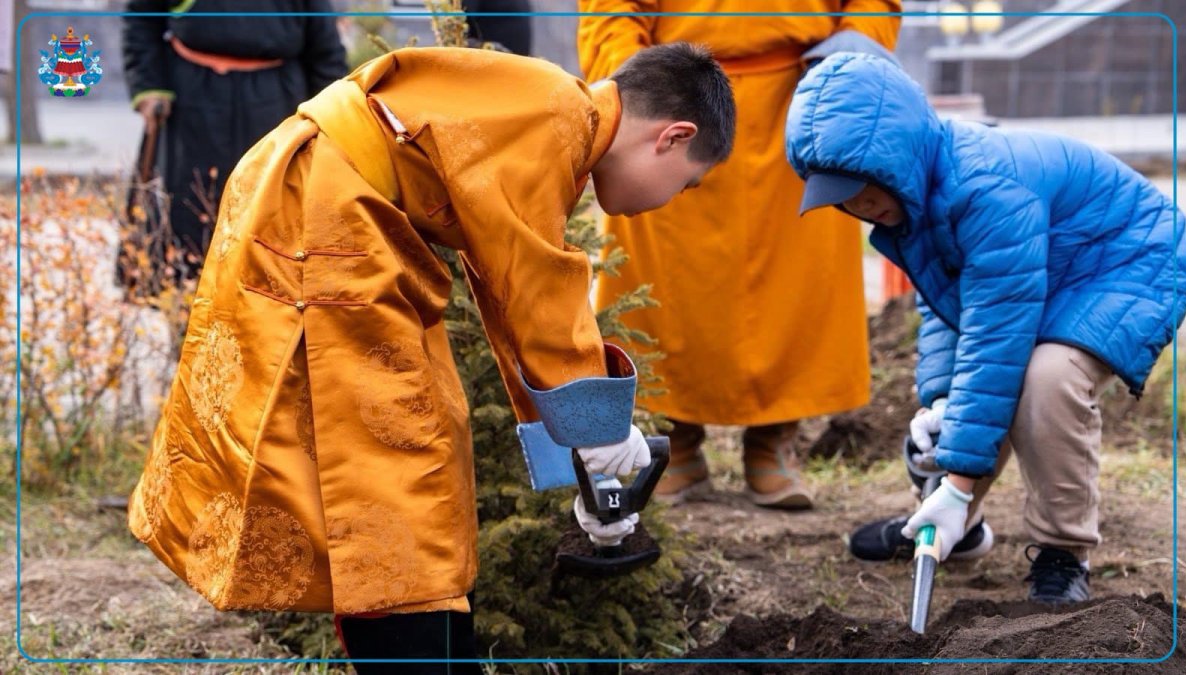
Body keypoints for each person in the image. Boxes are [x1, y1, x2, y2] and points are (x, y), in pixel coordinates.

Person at [126, 43, 734, 671]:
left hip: (335, 212)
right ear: (672, 136)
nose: (676, 196)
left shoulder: (554, 116)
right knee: (396, 476)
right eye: (689, 181)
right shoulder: (556, 119)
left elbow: (509, 297)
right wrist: (599, 431)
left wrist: (581, 454)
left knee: (415, 457)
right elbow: (538, 288)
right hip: (326, 217)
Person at [785, 53, 1186, 603]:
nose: (857, 205)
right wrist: (938, 400)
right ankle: (955, 534)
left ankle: (1062, 553)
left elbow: (996, 338)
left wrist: (955, 486)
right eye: (841, 197)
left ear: (898, 157)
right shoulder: (913, 200)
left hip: (1126, 259)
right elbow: (947, 306)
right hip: (1055, 266)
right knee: (960, 400)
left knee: (1047, 378)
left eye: (863, 187)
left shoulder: (985, 188)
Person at [578, 1, 900, 509]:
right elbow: (610, 9)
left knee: (796, 277)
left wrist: (846, 62)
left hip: (799, 100)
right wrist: (636, 91)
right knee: (664, 282)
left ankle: (774, 440)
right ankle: (675, 440)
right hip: (675, 101)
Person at [121, 0, 347, 277]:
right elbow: (142, 17)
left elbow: (324, 46)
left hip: (277, 98)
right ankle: (182, 301)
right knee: (189, 209)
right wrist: (149, 85)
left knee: (271, 213)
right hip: (192, 96)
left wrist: (328, 115)